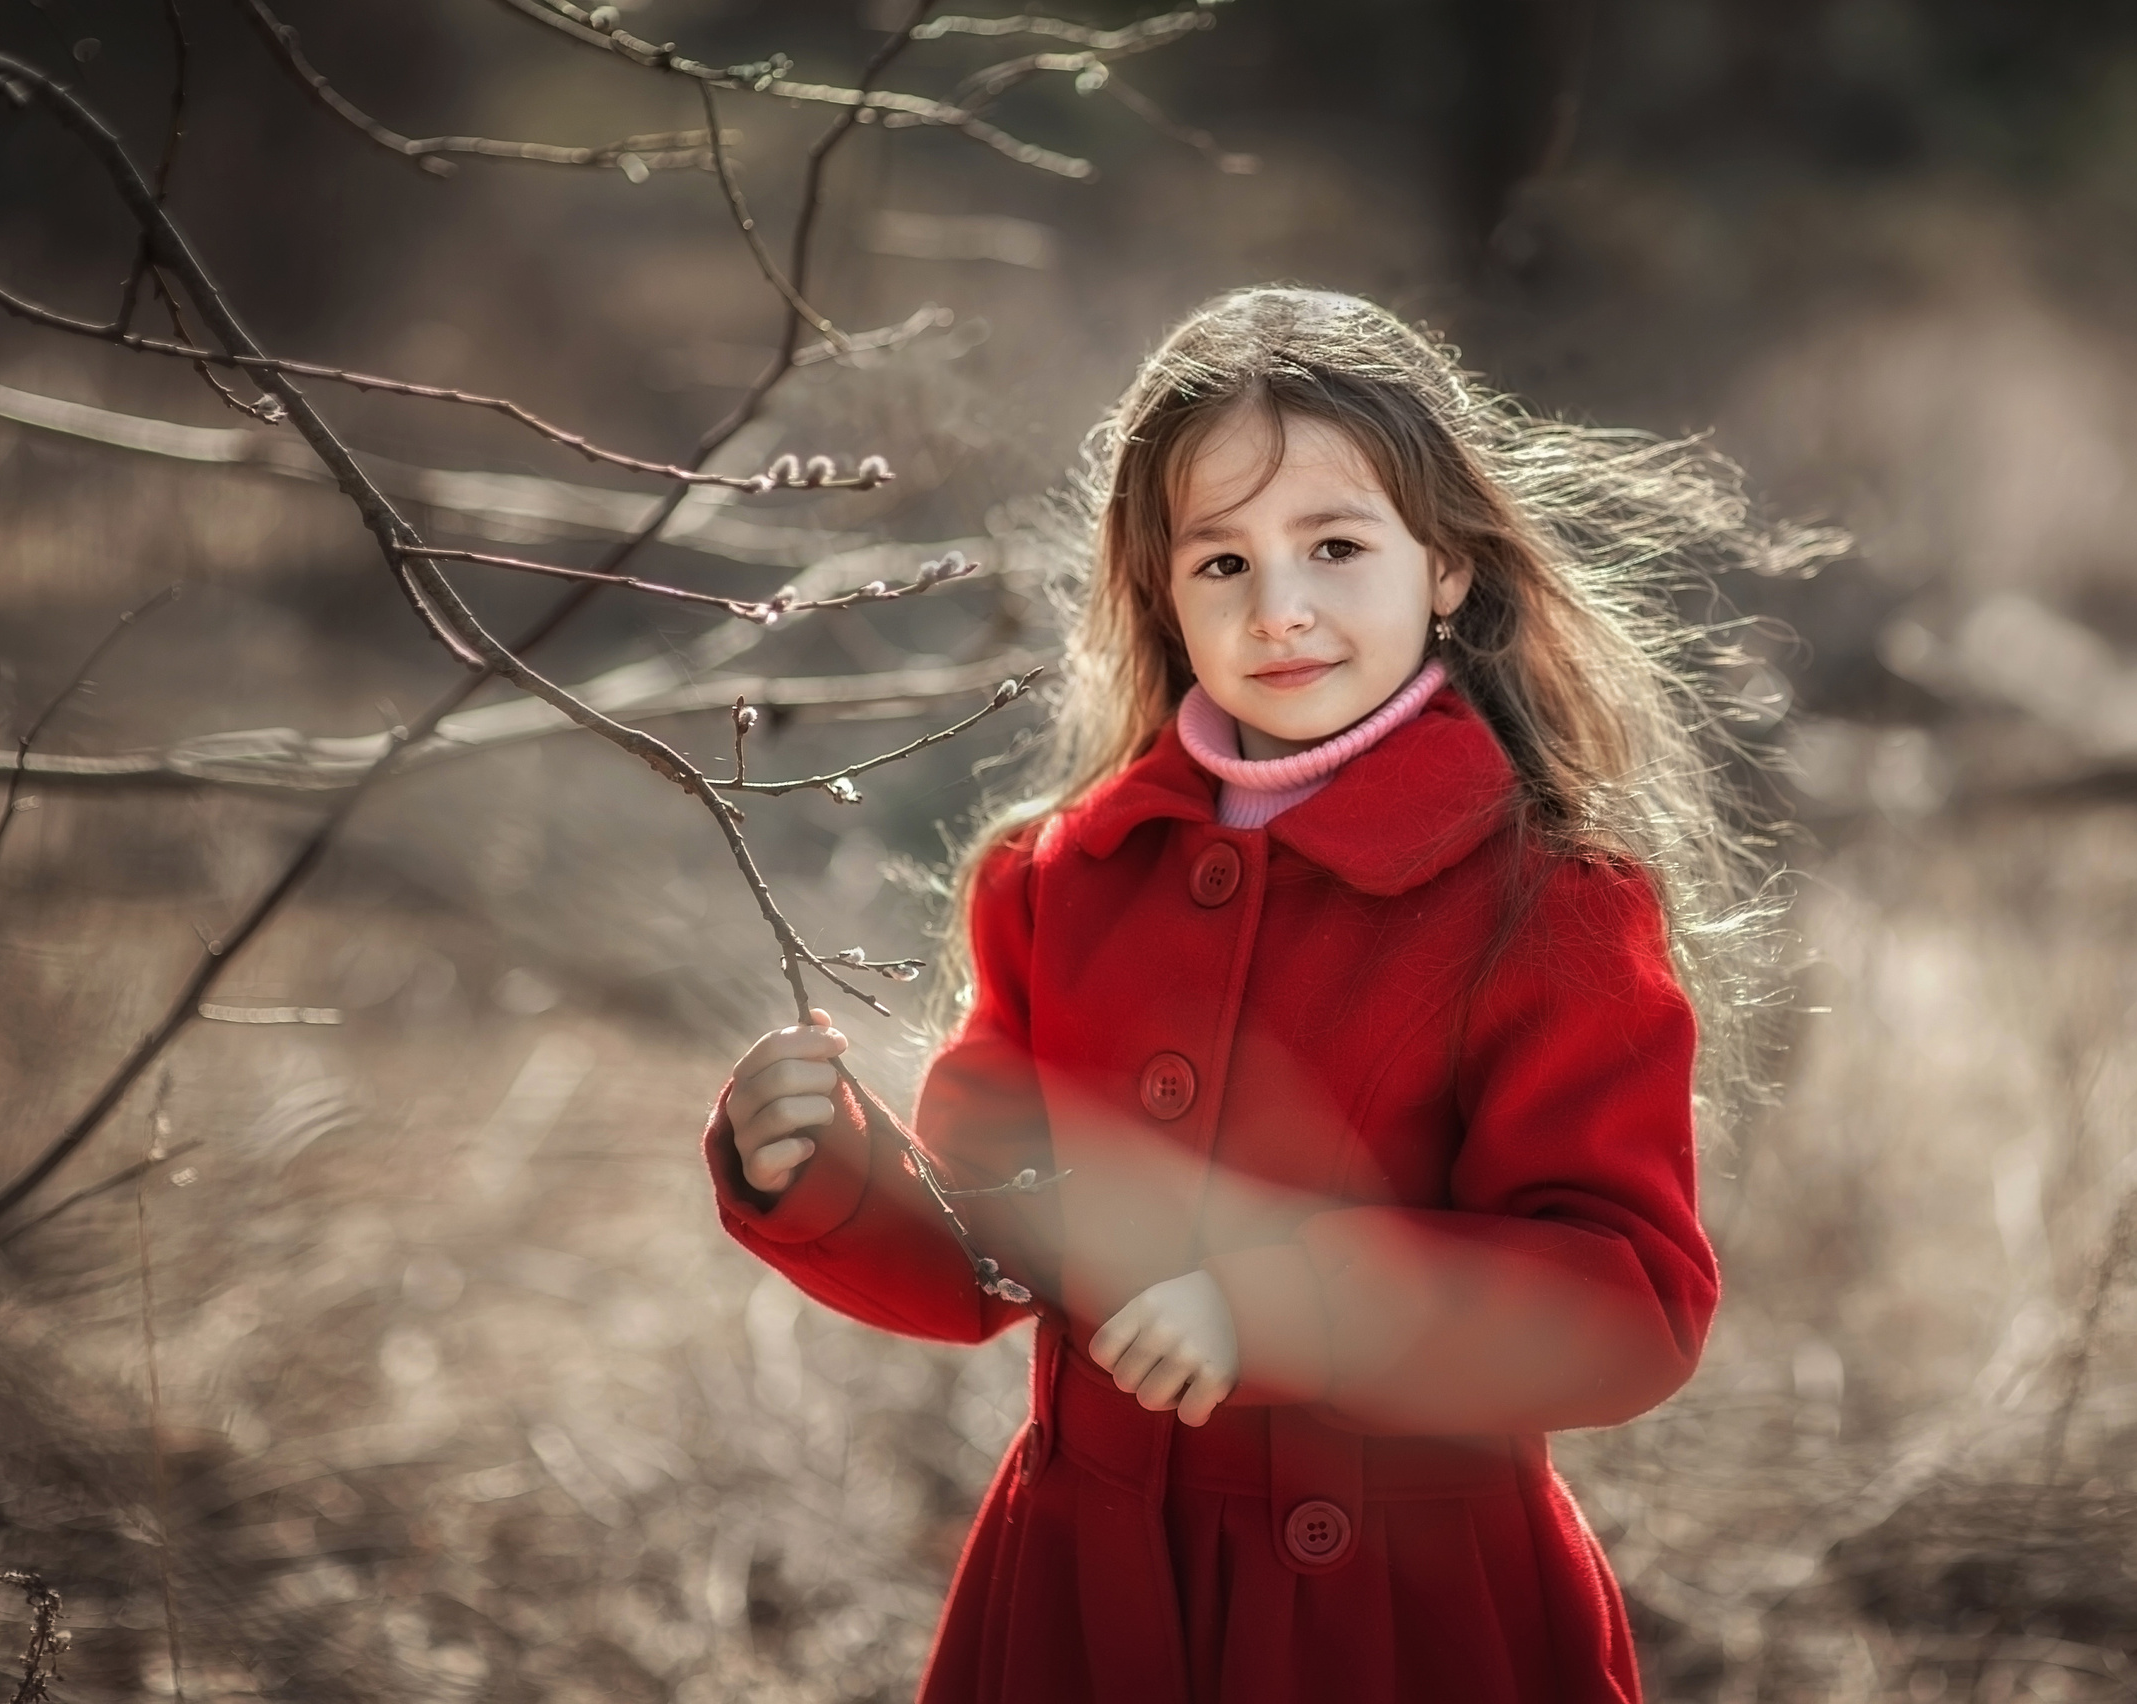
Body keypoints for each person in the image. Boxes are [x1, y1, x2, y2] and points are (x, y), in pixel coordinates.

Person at [703, 287, 1819, 1703]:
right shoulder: (1058, 880)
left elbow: (1629, 1305)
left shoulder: (1549, 903)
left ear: (1448, 566)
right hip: (1088, 1602)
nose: (1279, 607)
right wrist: (818, 1177)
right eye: (1222, 560)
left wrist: (1283, 1307)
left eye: (1336, 547)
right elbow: (998, 1248)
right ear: (1161, 595)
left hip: (1398, 1624)